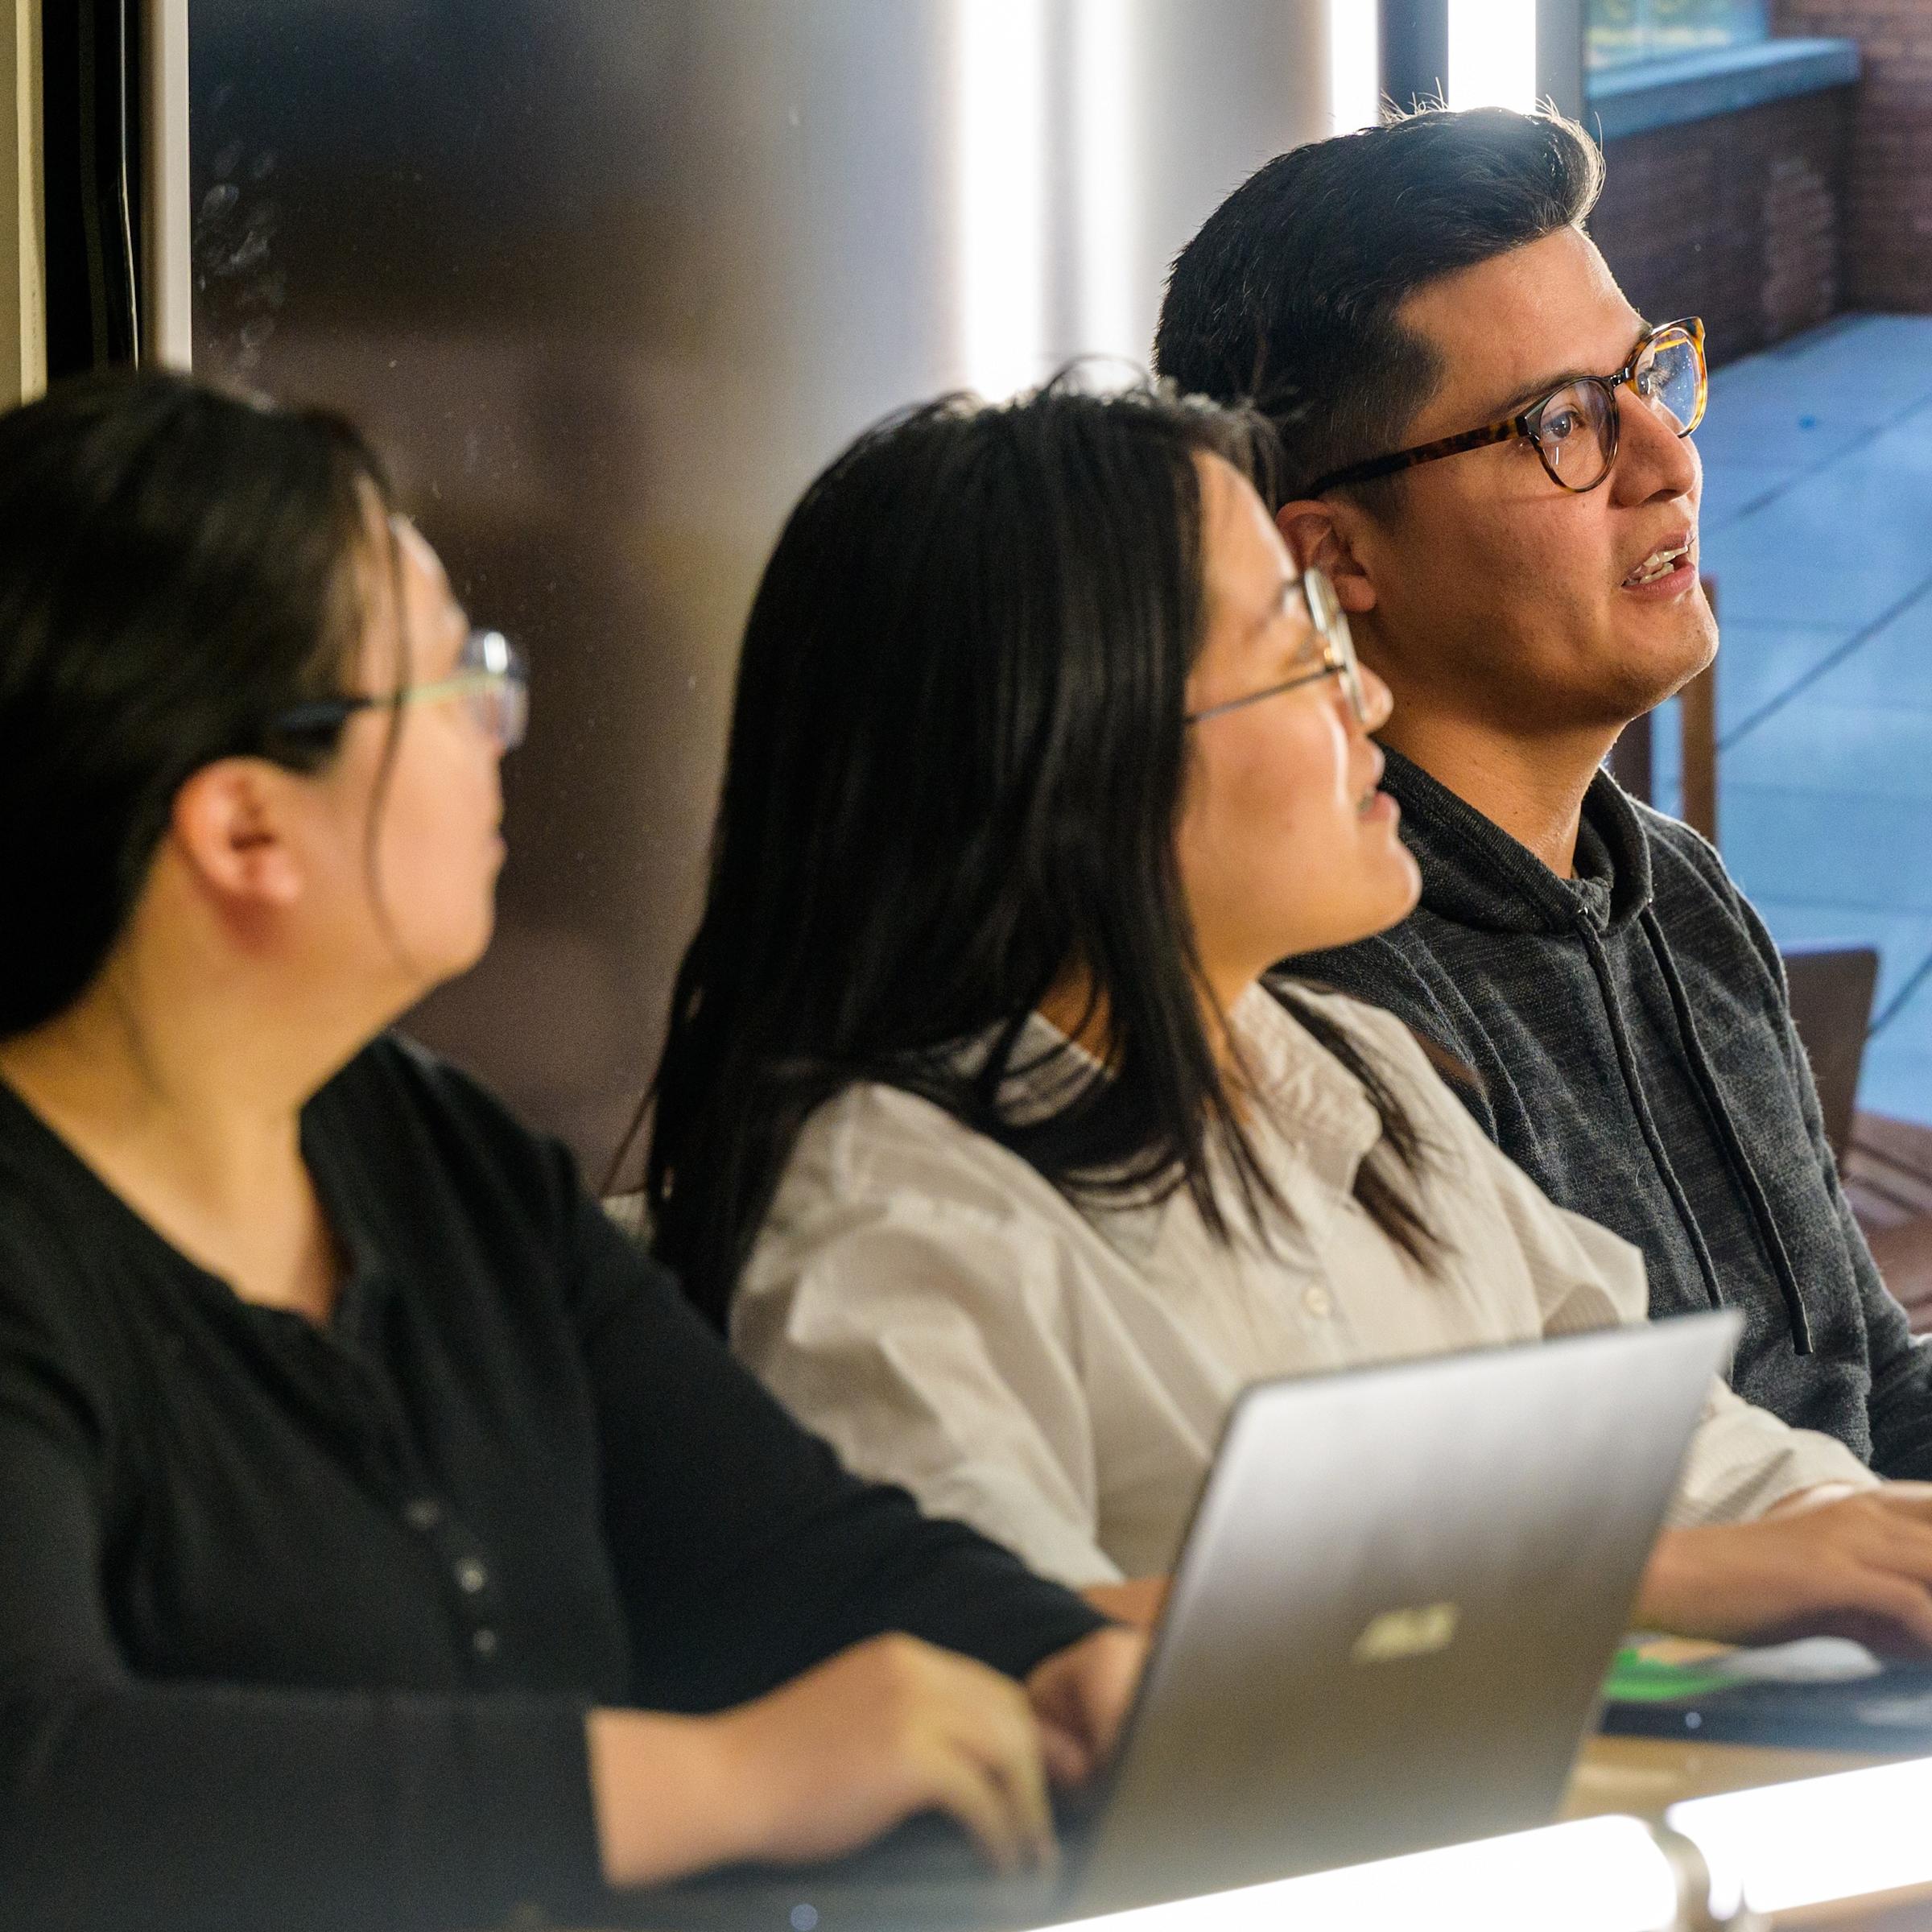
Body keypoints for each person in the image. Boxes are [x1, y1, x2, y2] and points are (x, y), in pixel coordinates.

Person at [0, 370, 1142, 1932]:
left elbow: (787, 1551)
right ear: (247, 830)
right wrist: (722, 1781)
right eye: (448, 682)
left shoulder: (432, 1150)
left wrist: (1058, 1660)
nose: (499, 732)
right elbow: (46, 1788)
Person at [648, 376, 1932, 1649]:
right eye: (1301, 651)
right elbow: (982, 1663)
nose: (1365, 695)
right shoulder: (897, 1211)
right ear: (1084, 744)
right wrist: (1636, 1579)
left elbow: (1673, 1445)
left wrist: (1858, 1545)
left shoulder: (1353, 1073)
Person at [1149, 105, 1932, 1479]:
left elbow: (1870, 1395)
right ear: (1333, 559)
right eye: (1562, 422)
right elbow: (1543, 1551)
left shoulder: (1674, 889)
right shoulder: (1328, 999)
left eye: (1648, 377)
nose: (1667, 461)